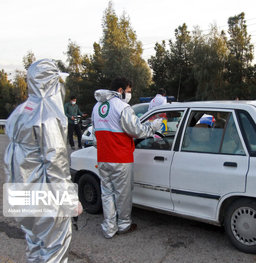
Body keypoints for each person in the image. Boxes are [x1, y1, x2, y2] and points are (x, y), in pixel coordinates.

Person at [4, 59, 82, 262]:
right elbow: (56, 164)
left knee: (35, 243)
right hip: (47, 198)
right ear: (51, 84)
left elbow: (10, 158)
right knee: (55, 248)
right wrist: (71, 201)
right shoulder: (48, 116)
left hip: (23, 193)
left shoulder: (20, 111)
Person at [92, 77, 162, 239]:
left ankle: (109, 228)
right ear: (121, 90)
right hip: (121, 158)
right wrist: (153, 127)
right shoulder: (122, 107)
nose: (130, 94)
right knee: (123, 194)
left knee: (107, 193)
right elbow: (136, 130)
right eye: (129, 91)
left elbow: (96, 137)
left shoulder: (97, 107)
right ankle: (124, 225)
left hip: (103, 158)